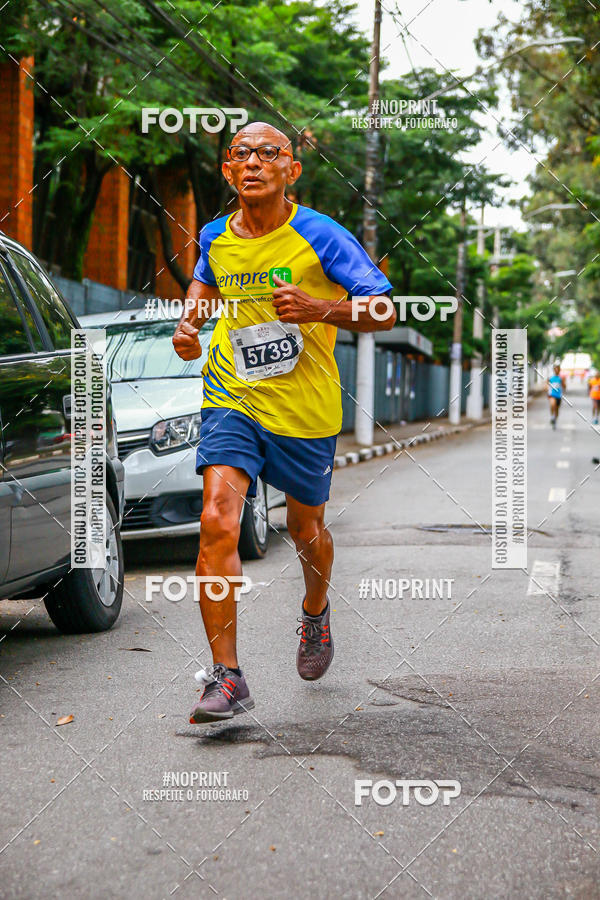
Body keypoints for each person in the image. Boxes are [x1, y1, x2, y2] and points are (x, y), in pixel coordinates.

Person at [172, 121, 394, 723]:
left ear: (291, 170)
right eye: (241, 153)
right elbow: (203, 287)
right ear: (227, 169)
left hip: (304, 410)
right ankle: (227, 677)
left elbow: (383, 307)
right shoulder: (216, 236)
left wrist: (322, 307)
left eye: (269, 154)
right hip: (232, 396)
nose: (253, 163)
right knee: (217, 518)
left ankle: (315, 611)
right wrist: (190, 327)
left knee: (304, 529)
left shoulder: (322, 235)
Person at [547, 362, 566, 429]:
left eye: (558, 369)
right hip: (552, 394)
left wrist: (563, 382)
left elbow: (564, 386)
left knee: (557, 409)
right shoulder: (550, 377)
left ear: (559, 370)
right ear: (553, 369)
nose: (556, 370)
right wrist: (548, 392)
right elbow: (547, 386)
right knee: (552, 404)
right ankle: (552, 416)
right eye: (555, 369)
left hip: (558, 395)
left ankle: (555, 420)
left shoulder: (561, 378)